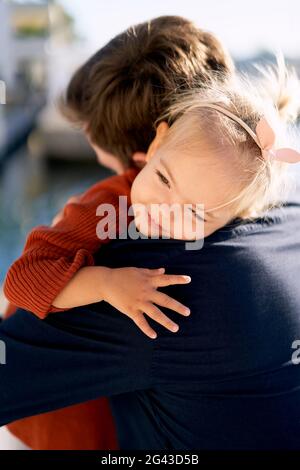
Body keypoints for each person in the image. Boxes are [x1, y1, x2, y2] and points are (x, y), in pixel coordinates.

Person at [1, 59, 300, 449]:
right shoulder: (101, 210)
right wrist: (105, 283)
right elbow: (20, 280)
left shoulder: (186, 276)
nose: (164, 208)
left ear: (234, 220)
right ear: (156, 143)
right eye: (162, 178)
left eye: (194, 213)